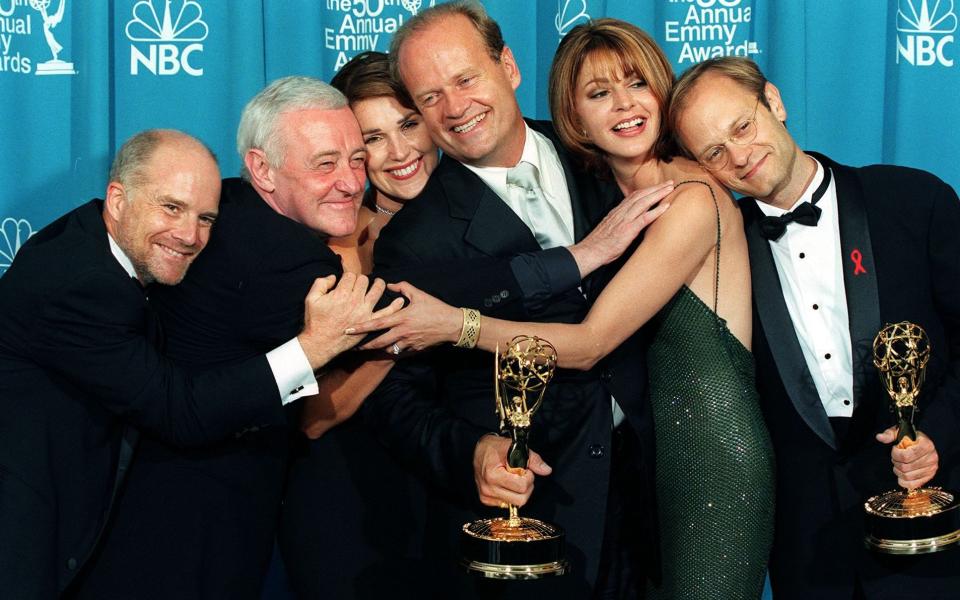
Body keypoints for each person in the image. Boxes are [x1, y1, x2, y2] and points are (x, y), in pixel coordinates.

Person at [355, 18, 775, 600]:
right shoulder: (414, 239)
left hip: (663, 483)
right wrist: (472, 452)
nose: (455, 107)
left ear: (508, 67)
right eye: (431, 96)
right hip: (542, 511)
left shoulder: (604, 160)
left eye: (466, 78)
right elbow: (395, 402)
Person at [0, 129, 379, 598]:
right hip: (29, 542)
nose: (189, 236)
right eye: (171, 208)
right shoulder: (76, 284)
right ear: (118, 199)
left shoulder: (97, 242)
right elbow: (180, 411)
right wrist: (313, 346)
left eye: (206, 218)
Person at [668, 57, 960, 598]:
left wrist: (937, 431)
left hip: (932, 521)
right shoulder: (718, 254)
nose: (739, 155)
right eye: (714, 152)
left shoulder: (913, 200)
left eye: (742, 126)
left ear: (773, 103)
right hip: (808, 548)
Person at [278, 52, 439, 599]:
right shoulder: (335, 245)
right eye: (373, 138)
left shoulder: (485, 227)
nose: (399, 152)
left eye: (409, 123)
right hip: (344, 494)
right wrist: (402, 335)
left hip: (452, 486)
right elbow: (313, 418)